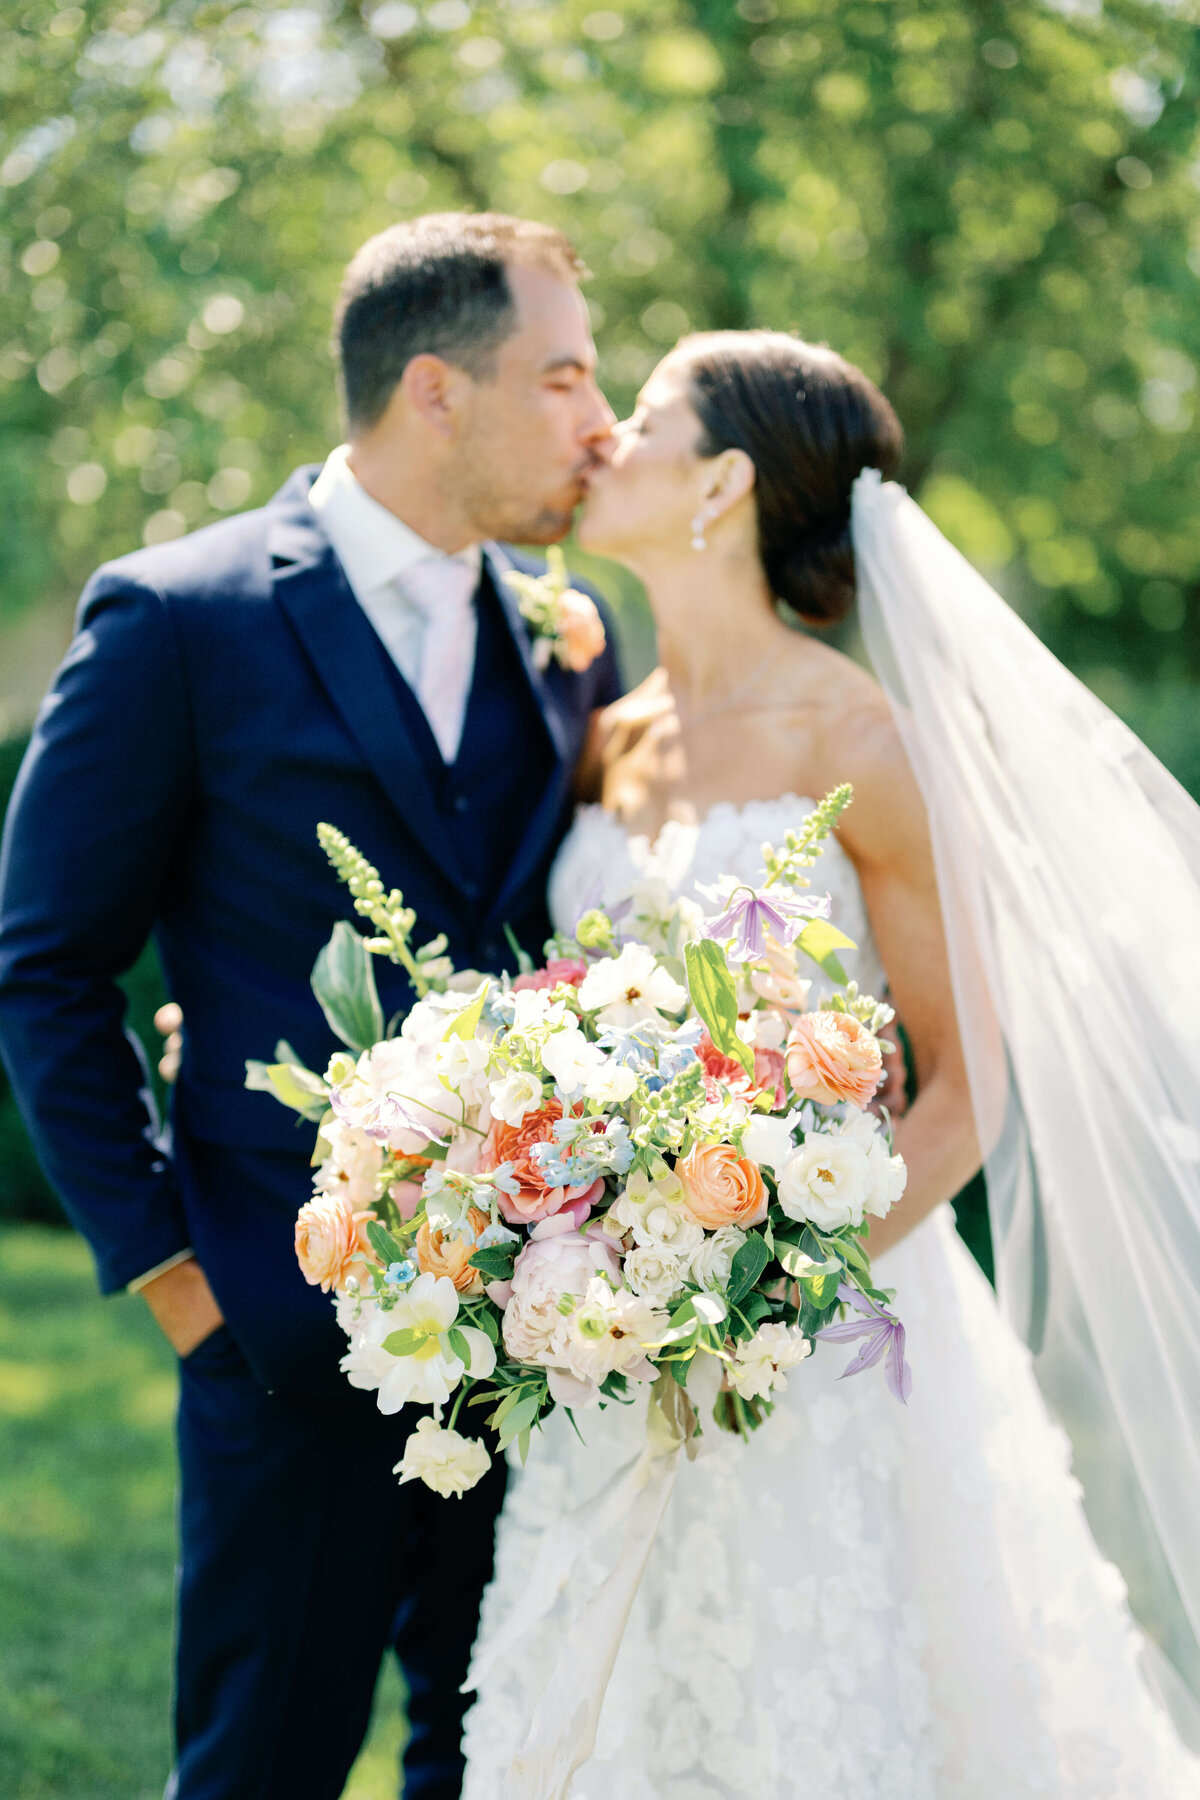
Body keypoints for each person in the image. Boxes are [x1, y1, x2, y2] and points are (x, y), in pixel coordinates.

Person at [460, 332, 1200, 1795]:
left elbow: (970, 1078)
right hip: (612, 1339)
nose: (607, 433)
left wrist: (771, 1293)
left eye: (649, 414)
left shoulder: (859, 733)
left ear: (723, 479)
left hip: (830, 1336)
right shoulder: (612, 737)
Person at [0, 211, 621, 1800]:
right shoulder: (180, 618)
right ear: (437, 388)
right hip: (285, 1334)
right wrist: (174, 1278)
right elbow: (50, 965)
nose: (596, 422)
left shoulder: (567, 635)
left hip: (547, 1337)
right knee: (263, 1767)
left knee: (498, 1762)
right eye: (560, 378)